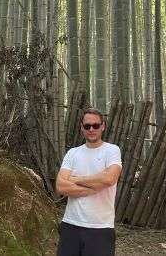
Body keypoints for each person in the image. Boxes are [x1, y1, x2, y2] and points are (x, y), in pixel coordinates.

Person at [55, 108, 122, 256]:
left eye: (96, 125)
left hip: (100, 227)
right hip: (70, 224)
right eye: (87, 126)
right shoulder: (73, 153)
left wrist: (75, 180)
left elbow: (110, 178)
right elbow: (60, 186)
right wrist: (95, 186)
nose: (91, 129)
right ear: (81, 127)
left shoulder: (111, 151)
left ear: (103, 126)